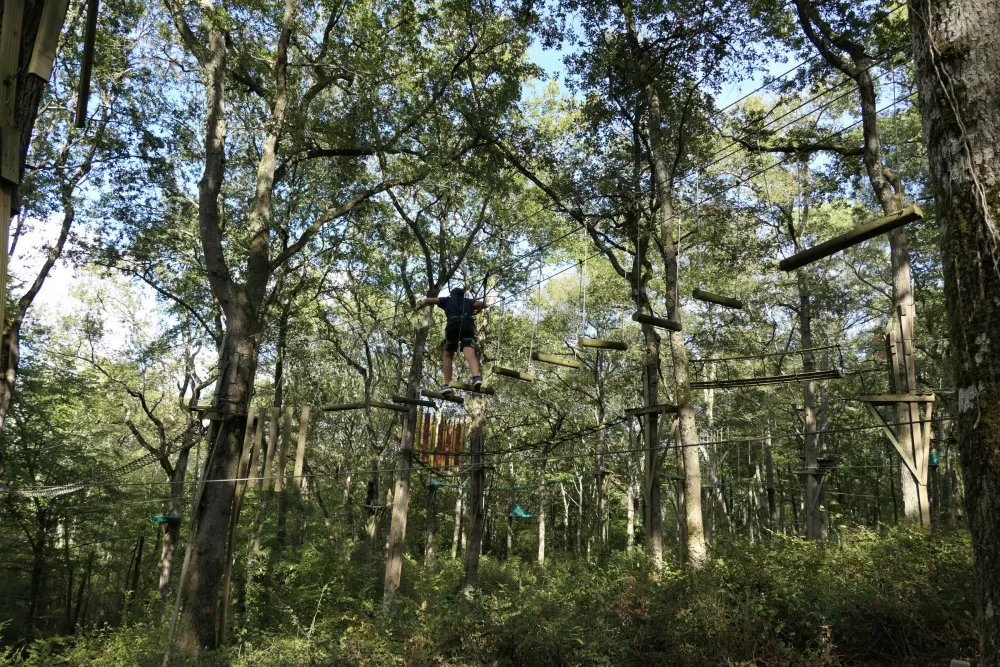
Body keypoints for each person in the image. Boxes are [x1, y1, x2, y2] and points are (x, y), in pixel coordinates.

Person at [417, 286, 485, 392]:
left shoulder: (447, 300)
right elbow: (483, 304)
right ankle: (476, 377)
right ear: (462, 295)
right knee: (470, 353)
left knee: (448, 354)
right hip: (468, 326)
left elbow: (433, 300)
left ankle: (447, 384)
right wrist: (473, 304)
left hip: (453, 326)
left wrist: (423, 300)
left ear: (452, 294)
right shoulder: (469, 301)